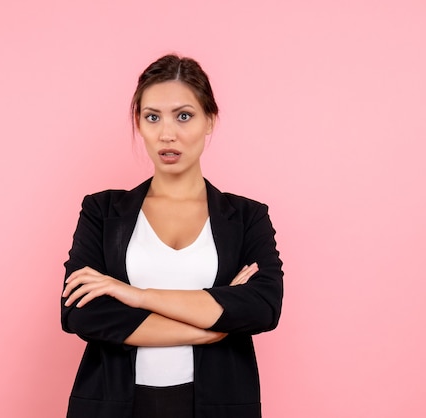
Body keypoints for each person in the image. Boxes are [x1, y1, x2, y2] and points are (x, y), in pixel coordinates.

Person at [61, 54, 284, 418]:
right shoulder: (102, 211)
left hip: (216, 406)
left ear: (209, 120)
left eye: (184, 116)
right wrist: (212, 326)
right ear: (139, 123)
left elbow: (263, 307)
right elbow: (82, 312)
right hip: (115, 406)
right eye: (152, 117)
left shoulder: (246, 217)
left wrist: (133, 295)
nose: (167, 133)